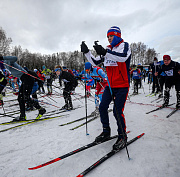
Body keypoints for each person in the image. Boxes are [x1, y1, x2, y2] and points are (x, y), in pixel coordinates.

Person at [81, 26, 131, 150]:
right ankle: (105, 131)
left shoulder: (124, 45)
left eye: (111, 36)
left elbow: (123, 57)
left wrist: (105, 52)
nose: (109, 39)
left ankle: (122, 136)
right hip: (110, 84)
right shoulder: (108, 49)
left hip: (122, 85)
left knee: (117, 111)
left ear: (117, 35)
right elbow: (95, 62)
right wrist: (87, 52)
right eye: (107, 36)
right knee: (102, 107)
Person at [0, 56, 46, 121]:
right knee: (20, 98)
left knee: (25, 97)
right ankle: (23, 116)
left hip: (27, 78)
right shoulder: (3, 66)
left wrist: (3, 57)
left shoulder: (7, 61)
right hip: (23, 79)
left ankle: (41, 109)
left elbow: (15, 58)